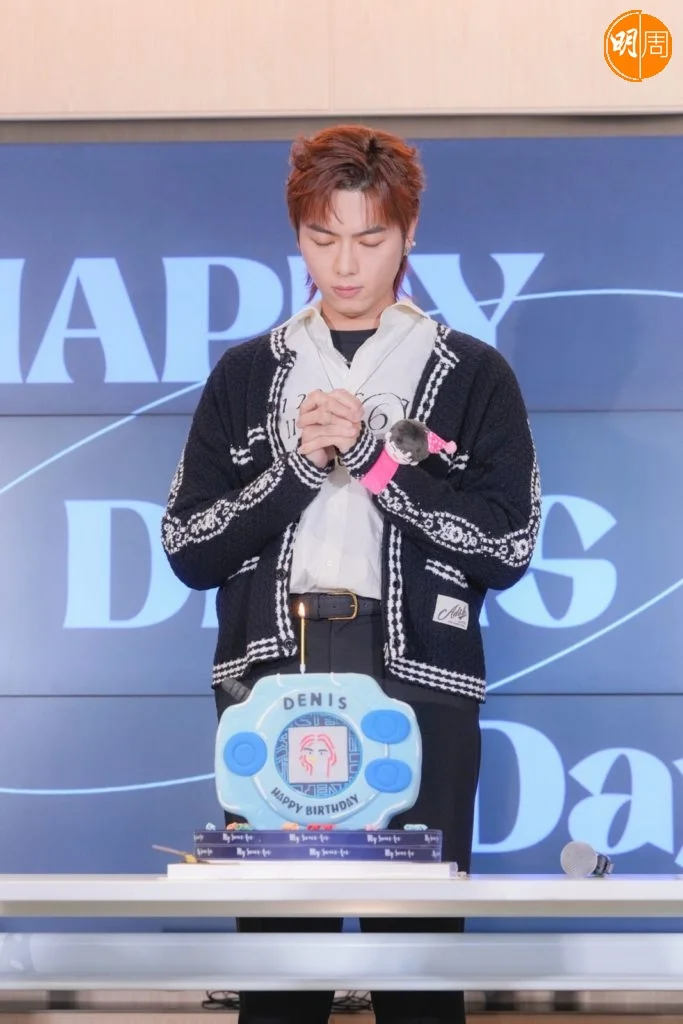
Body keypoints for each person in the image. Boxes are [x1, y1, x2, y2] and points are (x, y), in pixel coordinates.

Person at [162, 124, 541, 1024]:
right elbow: (187, 544)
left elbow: (507, 545)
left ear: (407, 234)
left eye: (369, 238)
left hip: (419, 678)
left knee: (417, 968)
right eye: (321, 237)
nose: (344, 264)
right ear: (297, 235)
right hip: (270, 675)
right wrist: (299, 466)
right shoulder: (245, 373)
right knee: (280, 971)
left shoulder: (470, 372)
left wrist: (373, 461)